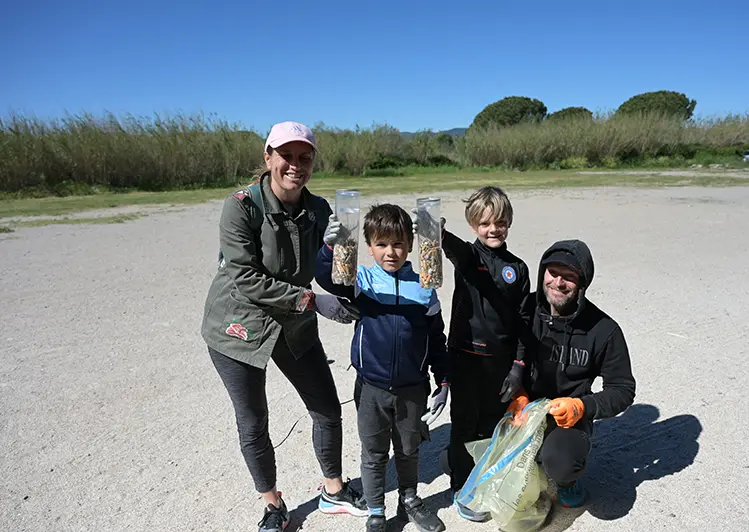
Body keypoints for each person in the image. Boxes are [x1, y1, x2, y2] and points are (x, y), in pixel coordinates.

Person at [201, 121, 367, 532]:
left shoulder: (321, 210)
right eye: (287, 156)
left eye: (305, 157)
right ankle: (273, 505)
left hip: (293, 324)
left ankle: (334, 490)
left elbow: (331, 277)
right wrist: (312, 300)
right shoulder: (241, 206)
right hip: (238, 327)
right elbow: (245, 277)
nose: (296, 165)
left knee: (327, 408)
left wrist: (339, 248)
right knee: (254, 419)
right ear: (268, 156)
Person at [315, 204, 449, 532]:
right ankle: (376, 509)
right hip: (371, 388)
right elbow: (325, 278)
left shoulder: (425, 286)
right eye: (382, 244)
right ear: (370, 246)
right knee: (374, 453)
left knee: (408, 449)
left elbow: (436, 339)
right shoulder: (361, 281)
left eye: (399, 244)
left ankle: (410, 499)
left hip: (412, 389)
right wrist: (330, 246)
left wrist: (442, 381)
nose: (391, 252)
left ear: (412, 245)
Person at [414, 186, 532, 523]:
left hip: (501, 362)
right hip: (465, 357)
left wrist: (518, 367)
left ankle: (476, 471)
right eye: (485, 223)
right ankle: (462, 487)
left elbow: (524, 321)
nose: (493, 229)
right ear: (473, 225)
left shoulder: (518, 268)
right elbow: (457, 252)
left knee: (493, 425)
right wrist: (437, 233)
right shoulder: (469, 259)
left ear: (509, 223)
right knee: (464, 423)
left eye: (500, 222)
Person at [522, 239, 636, 508]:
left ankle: (566, 481)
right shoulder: (524, 310)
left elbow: (622, 389)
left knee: (561, 461)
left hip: (566, 420)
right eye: (552, 273)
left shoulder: (603, 330)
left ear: (582, 283)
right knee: (464, 453)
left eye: (569, 277)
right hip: (523, 406)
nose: (558, 283)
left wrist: (582, 406)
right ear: (542, 273)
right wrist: (516, 394)